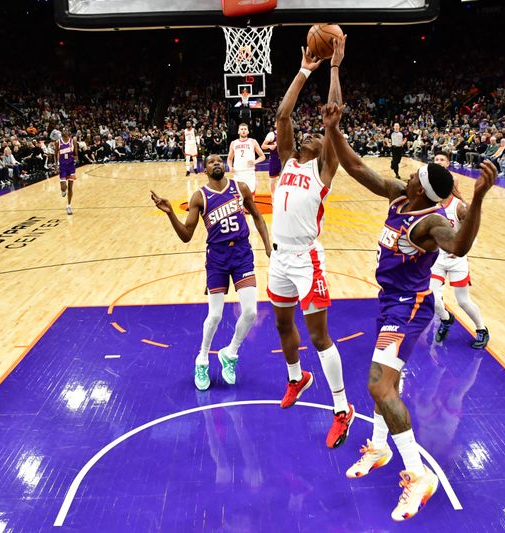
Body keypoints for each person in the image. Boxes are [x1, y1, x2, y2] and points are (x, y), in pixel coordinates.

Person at [322, 101, 496, 522]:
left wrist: (479, 199)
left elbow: (459, 246)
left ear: (421, 187)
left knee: (380, 387)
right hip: (390, 301)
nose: (412, 171)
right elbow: (359, 169)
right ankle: (380, 447)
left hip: (410, 307)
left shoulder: (431, 224)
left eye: (416, 172)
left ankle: (418, 477)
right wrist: (334, 129)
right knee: (382, 384)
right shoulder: (400, 195)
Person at [269, 38, 354, 449]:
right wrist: (305, 70)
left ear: (326, 150)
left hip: (307, 259)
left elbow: (333, 118)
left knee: (319, 336)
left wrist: (334, 70)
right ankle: (295, 377)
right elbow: (283, 114)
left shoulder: (323, 170)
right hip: (279, 258)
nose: (310, 136)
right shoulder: (288, 161)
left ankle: (342, 408)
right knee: (283, 324)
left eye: (319, 138)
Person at [150, 154, 271, 390]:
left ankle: (230, 353)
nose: (216, 163)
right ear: (205, 170)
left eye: (219, 160)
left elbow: (257, 216)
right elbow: (186, 235)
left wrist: (267, 246)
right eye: (211, 162)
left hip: (242, 254)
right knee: (215, 315)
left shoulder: (240, 187)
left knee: (250, 312)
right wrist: (170, 213)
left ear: (224, 166)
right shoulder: (200, 197)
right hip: (217, 258)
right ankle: (202, 359)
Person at [429, 152, 488, 348]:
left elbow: (472, 229)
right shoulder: (431, 204)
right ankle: (446, 319)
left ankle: (481, 329)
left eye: (441, 160)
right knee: (433, 299)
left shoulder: (459, 207)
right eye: (435, 160)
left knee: (463, 301)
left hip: (456, 257)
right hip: (437, 257)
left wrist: (464, 249)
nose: (438, 163)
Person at [227, 123, 265, 193]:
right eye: (241, 129)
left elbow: (263, 156)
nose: (243, 131)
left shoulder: (253, 141)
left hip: (249, 172)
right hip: (238, 172)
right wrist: (230, 166)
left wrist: (254, 162)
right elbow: (229, 158)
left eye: (245, 129)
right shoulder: (233, 143)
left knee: (251, 194)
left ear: (248, 131)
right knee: (238, 195)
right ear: (238, 131)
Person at [55, 127, 78, 215]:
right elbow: (55, 154)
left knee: (70, 187)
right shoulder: (58, 142)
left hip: (71, 166)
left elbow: (76, 155)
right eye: (64, 130)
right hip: (62, 166)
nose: (65, 131)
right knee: (64, 187)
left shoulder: (73, 141)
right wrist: (56, 166)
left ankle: (69, 206)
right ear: (62, 132)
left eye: (67, 130)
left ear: (69, 133)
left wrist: (76, 158)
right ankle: (63, 190)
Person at [261, 126, 281, 195]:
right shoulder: (271, 134)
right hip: (274, 159)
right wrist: (270, 146)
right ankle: (273, 197)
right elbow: (263, 146)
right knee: (272, 180)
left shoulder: (286, 134)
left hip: (283, 160)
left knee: (282, 180)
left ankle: (281, 197)